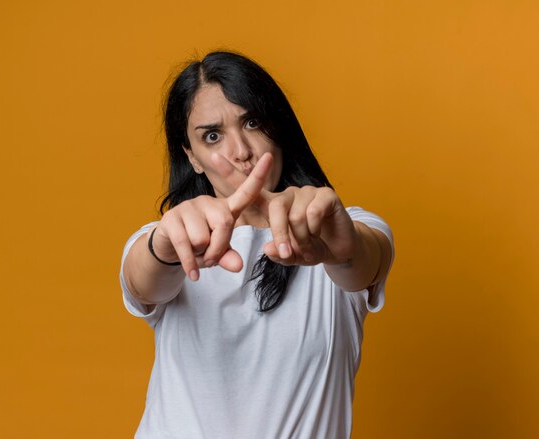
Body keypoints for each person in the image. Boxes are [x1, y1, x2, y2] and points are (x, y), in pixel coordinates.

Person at [119, 51, 395, 438]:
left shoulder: (344, 228)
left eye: (252, 122)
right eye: (212, 136)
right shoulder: (170, 235)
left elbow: (363, 262)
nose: (241, 152)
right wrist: (164, 246)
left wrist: (341, 247)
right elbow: (142, 280)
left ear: (279, 129)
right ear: (192, 157)